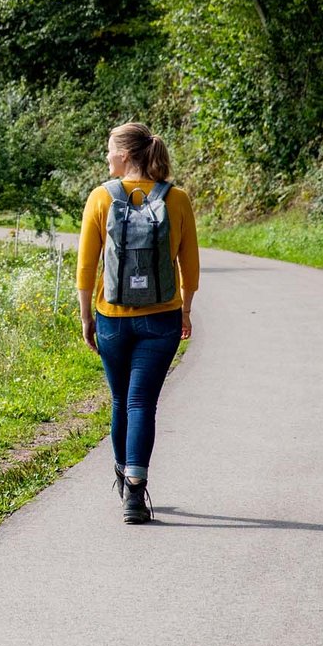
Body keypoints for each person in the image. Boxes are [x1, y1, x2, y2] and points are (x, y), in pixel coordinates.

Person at [75, 122, 199, 524]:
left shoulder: (101, 197)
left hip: (112, 318)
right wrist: (185, 309)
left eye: (110, 149)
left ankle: (122, 473)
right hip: (162, 318)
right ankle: (134, 488)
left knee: (120, 401)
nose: (106, 156)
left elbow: (86, 267)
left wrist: (86, 316)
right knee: (142, 402)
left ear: (125, 155)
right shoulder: (177, 199)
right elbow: (190, 266)